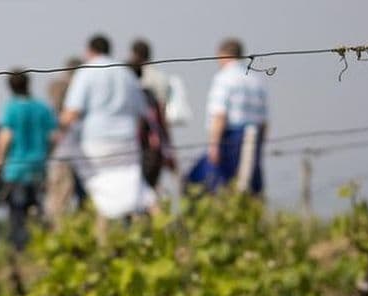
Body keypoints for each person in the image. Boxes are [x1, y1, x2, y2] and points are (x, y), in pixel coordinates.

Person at [62, 34, 155, 235]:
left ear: (89, 50)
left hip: (96, 141)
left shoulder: (86, 72)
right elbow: (142, 112)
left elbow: (72, 112)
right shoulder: (125, 72)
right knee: (132, 189)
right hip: (127, 140)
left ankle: (102, 242)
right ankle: (140, 235)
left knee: (100, 193)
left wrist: (57, 133)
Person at [185, 38, 268, 195]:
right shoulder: (256, 80)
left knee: (212, 183)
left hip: (231, 138)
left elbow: (219, 115)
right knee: (248, 186)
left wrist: (213, 145)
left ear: (223, 55)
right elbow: (264, 122)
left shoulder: (224, 78)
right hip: (254, 137)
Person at [0, 70, 57, 251]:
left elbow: (5, 136)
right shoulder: (42, 107)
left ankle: (21, 250)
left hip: (16, 169)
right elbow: (53, 137)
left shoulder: (12, 108)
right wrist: (45, 154)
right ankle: (42, 246)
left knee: (17, 214)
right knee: (37, 210)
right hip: (38, 166)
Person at [128, 42, 176, 189]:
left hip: (140, 138)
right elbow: (162, 112)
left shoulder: (134, 79)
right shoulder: (161, 77)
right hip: (155, 137)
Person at [44, 58, 84, 226]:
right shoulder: (84, 91)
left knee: (59, 202)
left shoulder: (61, 87)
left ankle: (61, 236)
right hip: (82, 153)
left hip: (64, 153)